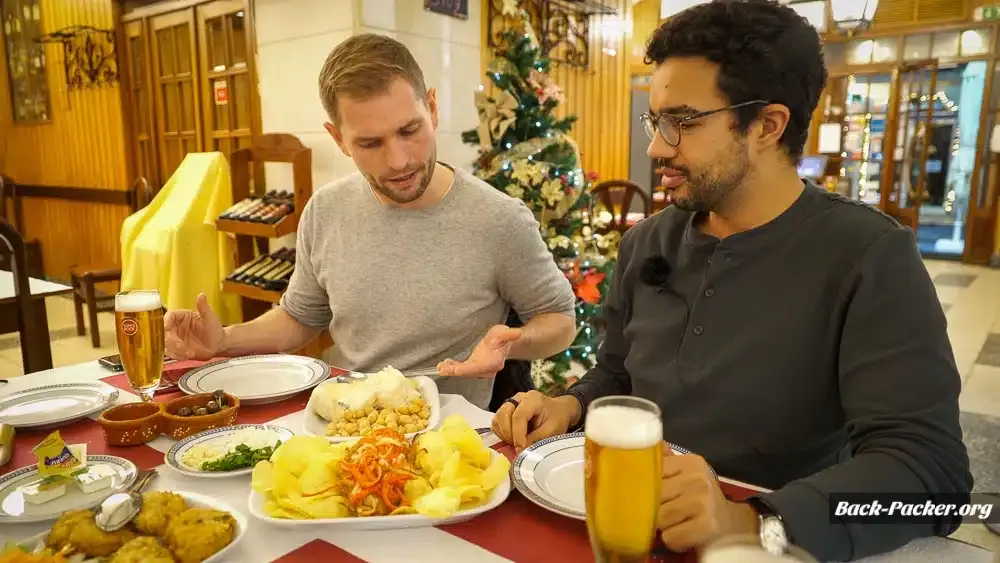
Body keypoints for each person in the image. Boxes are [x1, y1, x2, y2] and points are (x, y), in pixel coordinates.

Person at [491, 0, 972, 560]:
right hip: (619, 525)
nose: (656, 147)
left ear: (767, 125)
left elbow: (929, 475)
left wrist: (752, 521)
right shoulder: (647, 241)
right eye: (656, 119)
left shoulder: (868, 256)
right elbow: (618, 373)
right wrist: (570, 407)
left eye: (683, 123)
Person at [164, 33, 578, 410]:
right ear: (338, 138)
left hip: (452, 441)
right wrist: (224, 340)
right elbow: (300, 318)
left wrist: (513, 343)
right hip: (348, 422)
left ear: (432, 108)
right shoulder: (325, 210)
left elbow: (561, 320)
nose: (398, 160)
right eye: (369, 142)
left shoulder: (499, 219)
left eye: (409, 130)